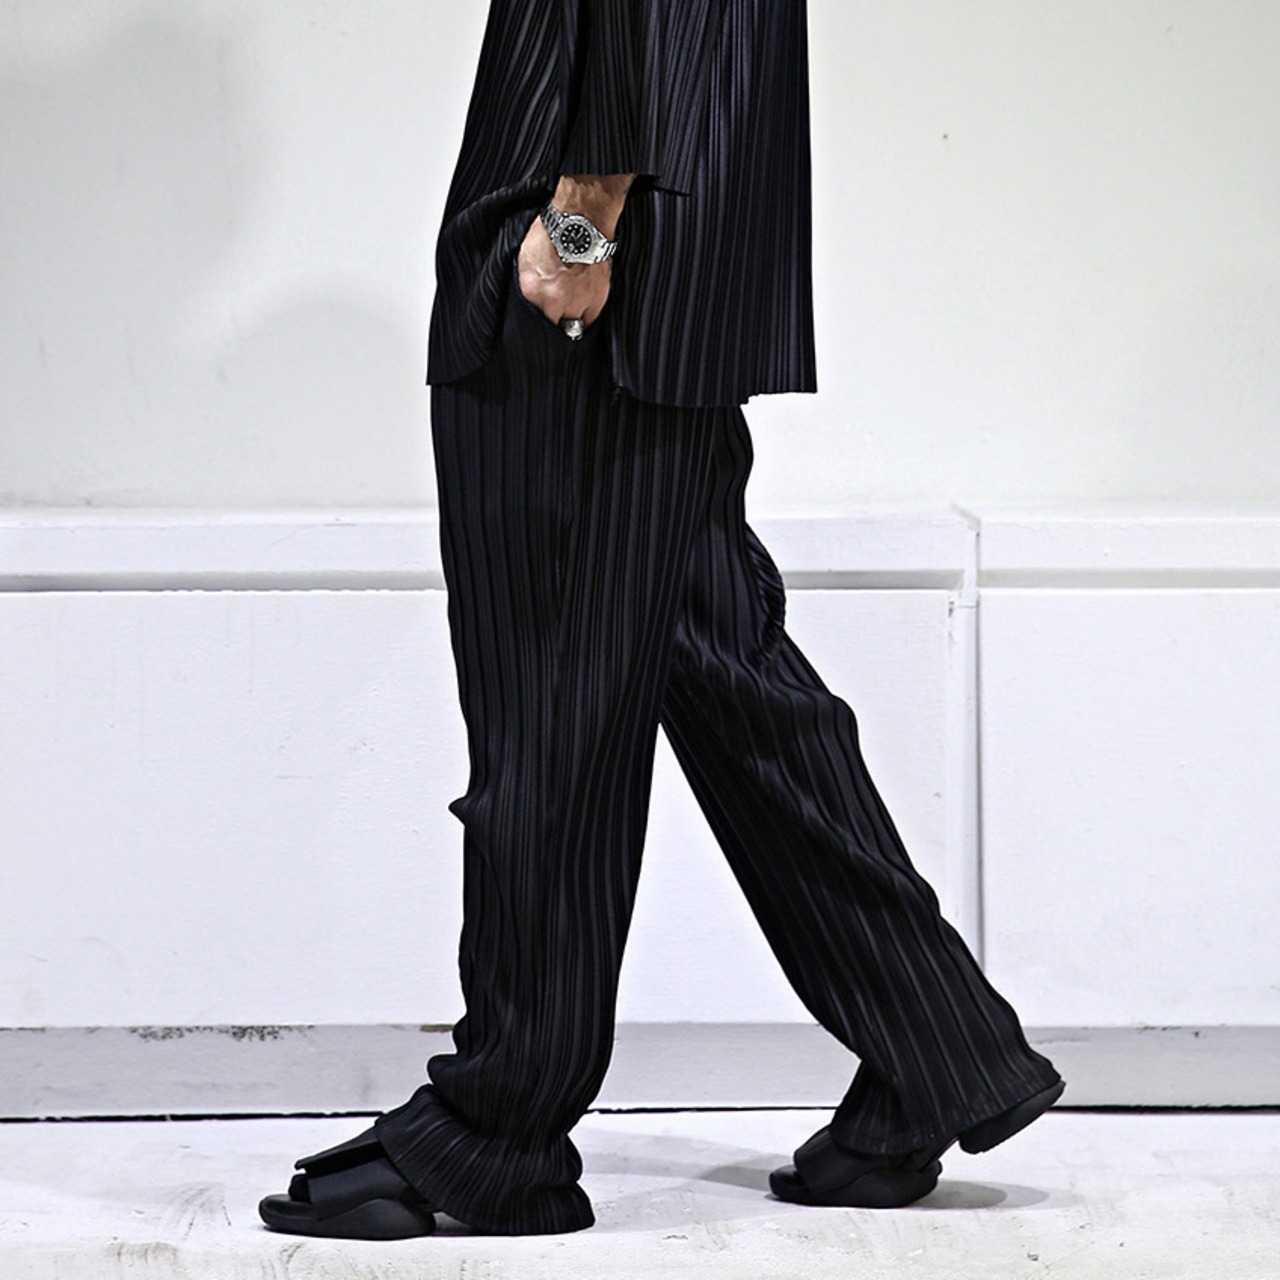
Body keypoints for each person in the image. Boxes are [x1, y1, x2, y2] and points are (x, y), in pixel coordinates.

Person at [258, 0, 1063, 1240]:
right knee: (719, 666)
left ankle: (500, 1127)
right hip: (665, 271)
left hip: (585, 280)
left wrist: (580, 219)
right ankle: (935, 1043)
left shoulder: (580, 245)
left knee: (553, 702)